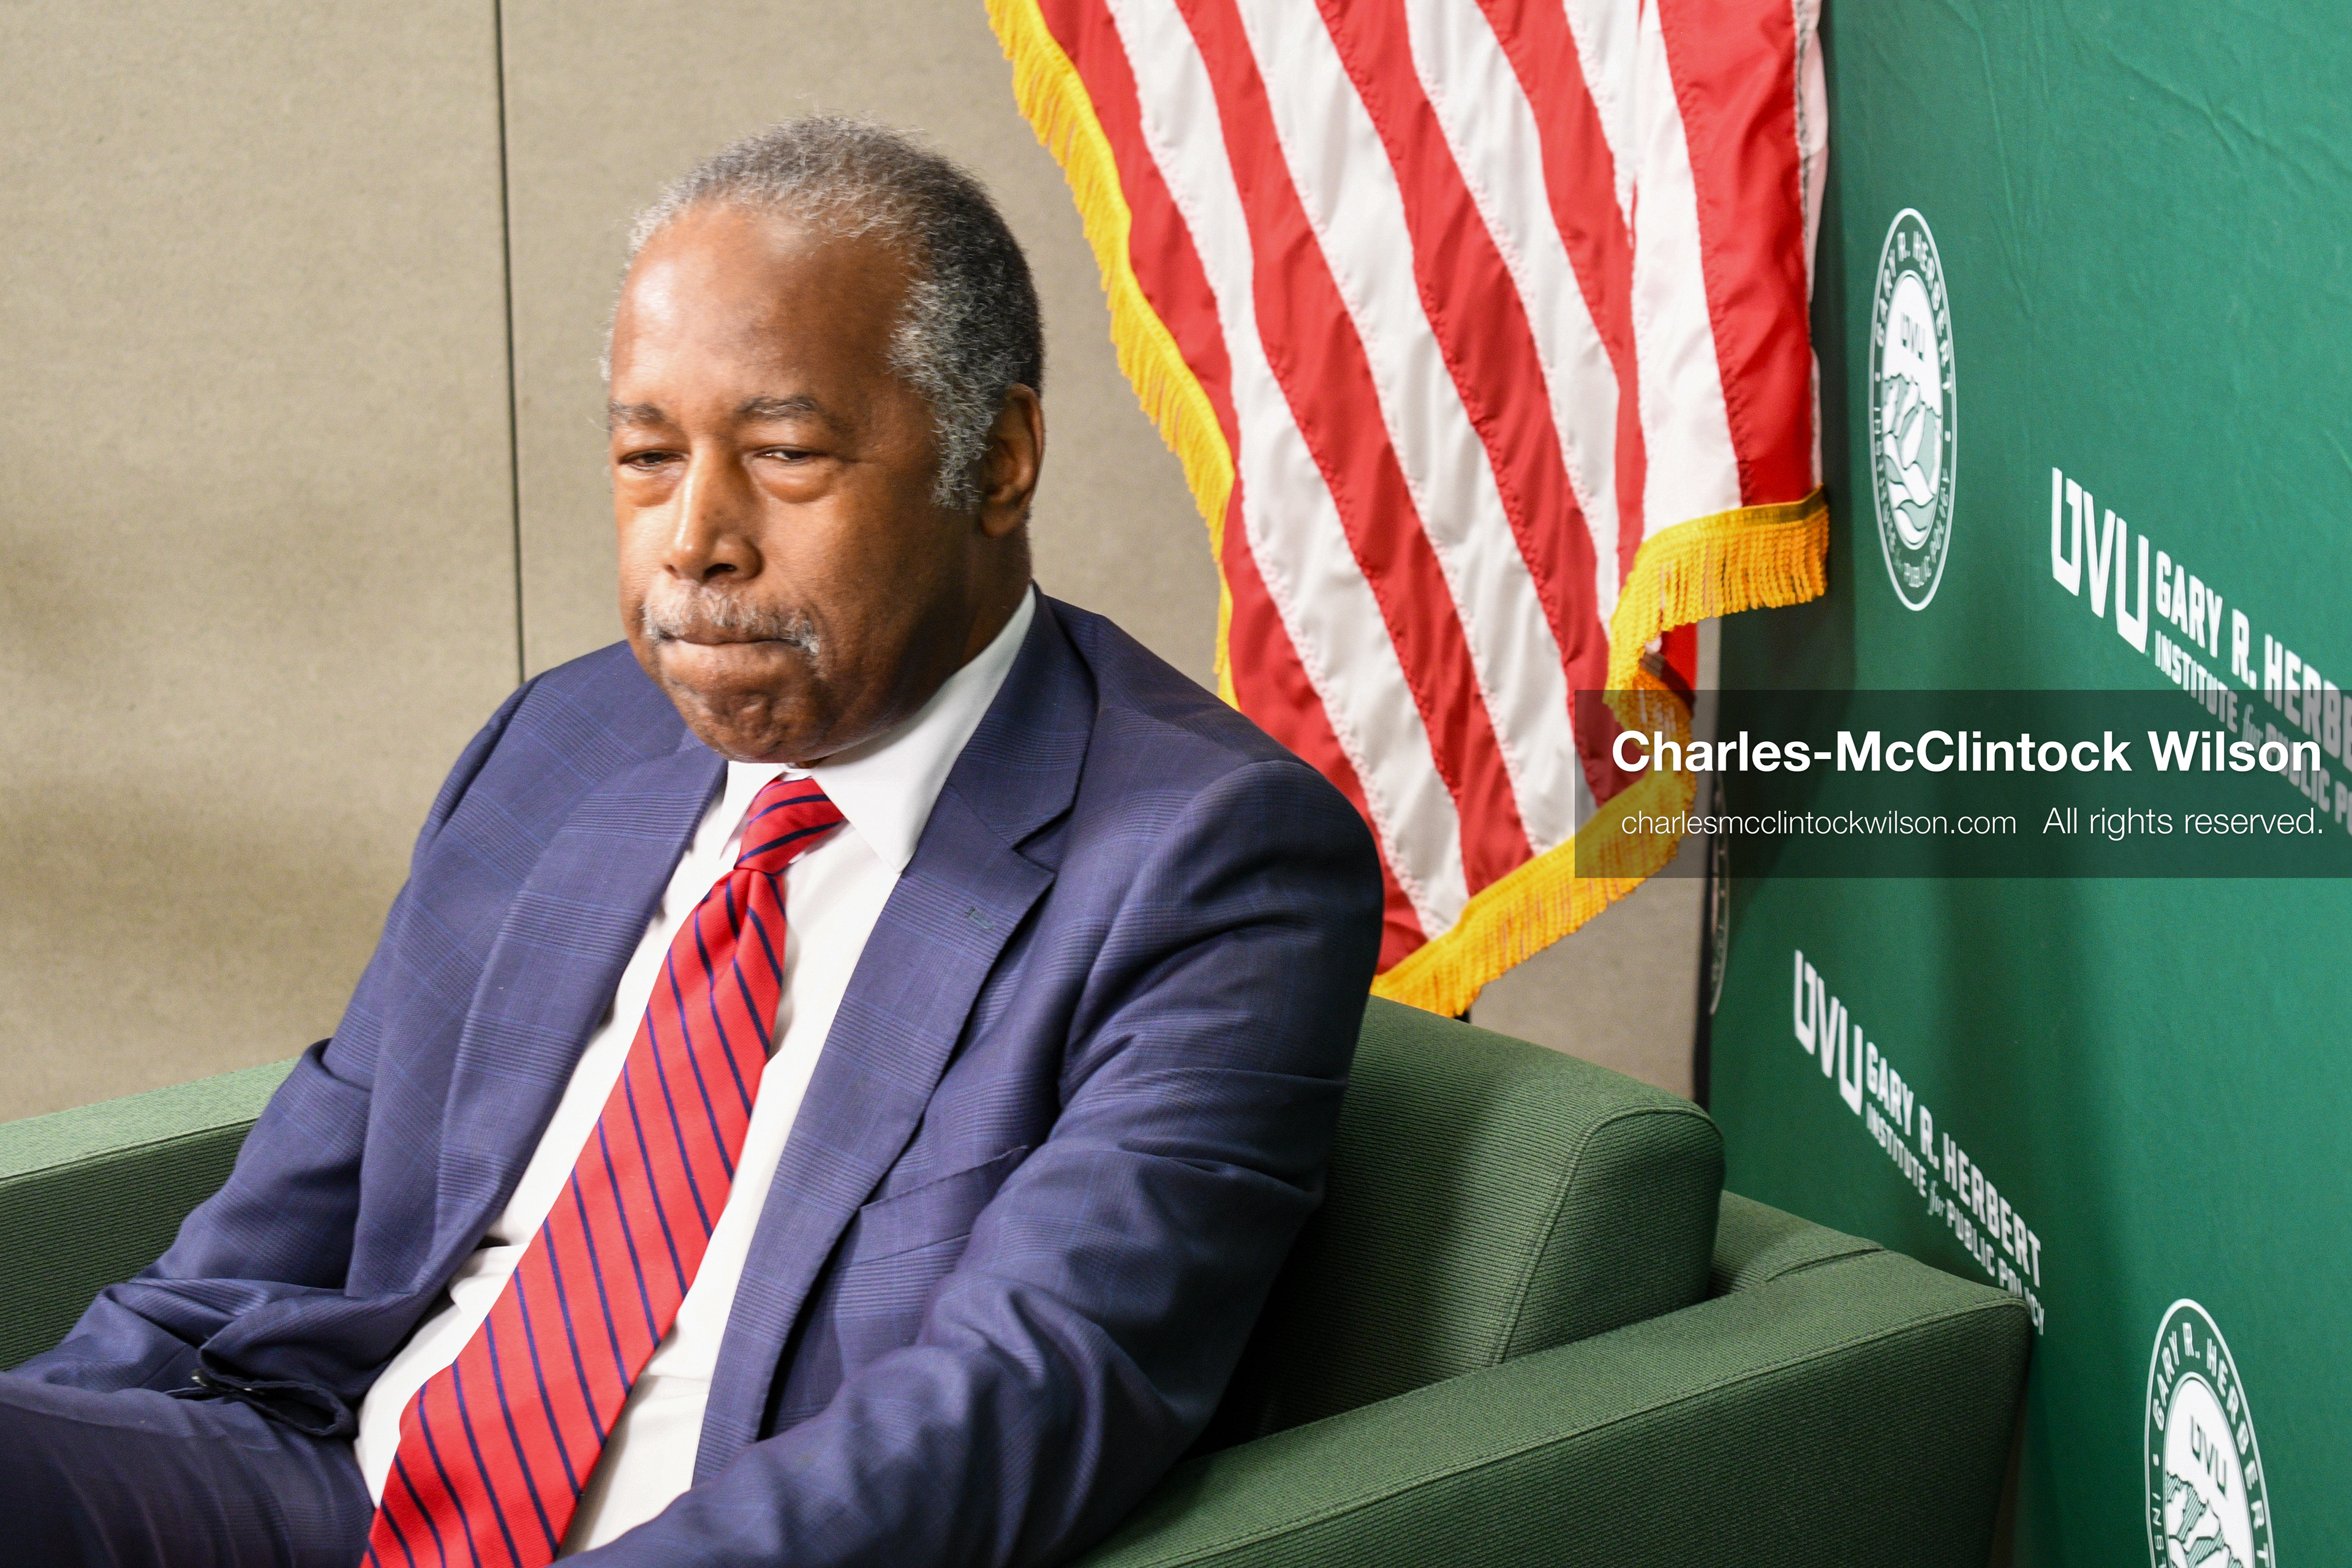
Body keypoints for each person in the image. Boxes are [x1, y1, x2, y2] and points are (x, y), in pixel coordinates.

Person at [0, 117, 1383, 1567]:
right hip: (329, 1484)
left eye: (784, 455)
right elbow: (272, 1232)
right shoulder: (562, 743)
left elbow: (1021, 1396)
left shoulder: (1211, 860)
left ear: (1001, 462)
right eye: (648, 456)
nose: (694, 540)